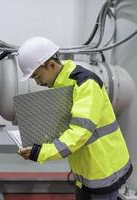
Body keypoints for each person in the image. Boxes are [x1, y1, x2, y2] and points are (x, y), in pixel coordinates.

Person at [17, 36, 132, 200]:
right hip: (86, 171)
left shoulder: (85, 84)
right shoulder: (61, 85)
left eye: (37, 76)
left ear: (51, 65)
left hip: (104, 169)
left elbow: (79, 132)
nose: (37, 82)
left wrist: (41, 152)